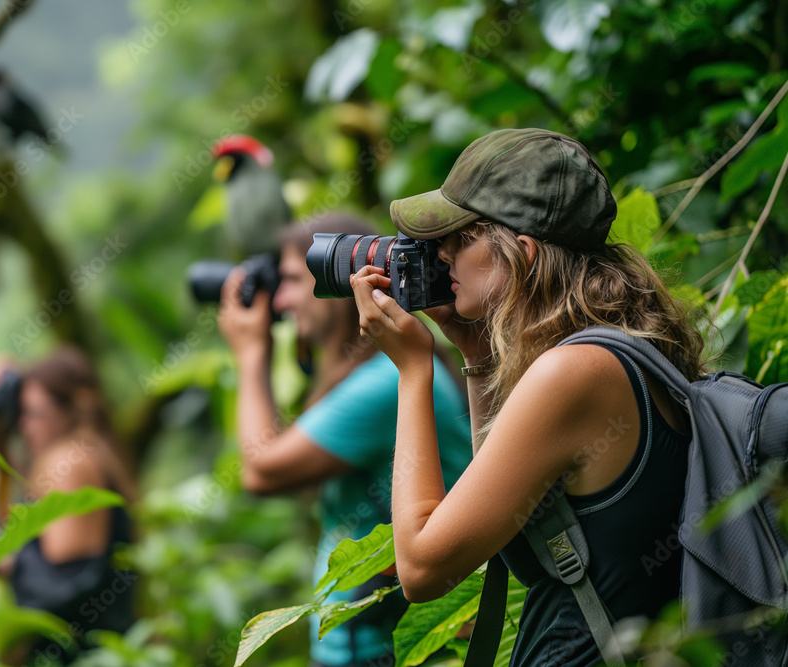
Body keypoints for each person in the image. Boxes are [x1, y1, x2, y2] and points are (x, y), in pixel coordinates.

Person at [350, 128, 702, 666]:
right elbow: (515, 538)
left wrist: (413, 371)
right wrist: (475, 354)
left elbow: (421, 568)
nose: (440, 254)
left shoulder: (573, 373)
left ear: (523, 253)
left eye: (461, 238)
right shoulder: (620, 353)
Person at [217, 213, 474, 667]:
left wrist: (250, 353)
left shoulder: (384, 380)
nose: (281, 300)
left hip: (391, 649)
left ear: (337, 284)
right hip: (365, 643)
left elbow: (261, 469)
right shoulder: (370, 373)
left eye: (294, 280)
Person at [0, 346, 138, 664]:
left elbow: (68, 582)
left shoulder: (71, 461)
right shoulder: (48, 471)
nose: (23, 426)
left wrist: (0, 564)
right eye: (19, 414)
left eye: (32, 413)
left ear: (71, 408)